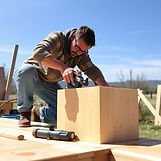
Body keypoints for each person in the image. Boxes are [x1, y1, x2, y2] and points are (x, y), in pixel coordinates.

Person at [14, 26, 109, 127]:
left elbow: (91, 70)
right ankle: (25, 113)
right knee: (26, 71)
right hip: (32, 77)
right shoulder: (58, 38)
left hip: (49, 84)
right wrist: (63, 67)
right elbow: (38, 53)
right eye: (77, 48)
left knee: (66, 115)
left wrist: (105, 86)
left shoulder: (80, 54)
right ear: (73, 37)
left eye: (83, 51)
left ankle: (40, 113)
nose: (78, 53)